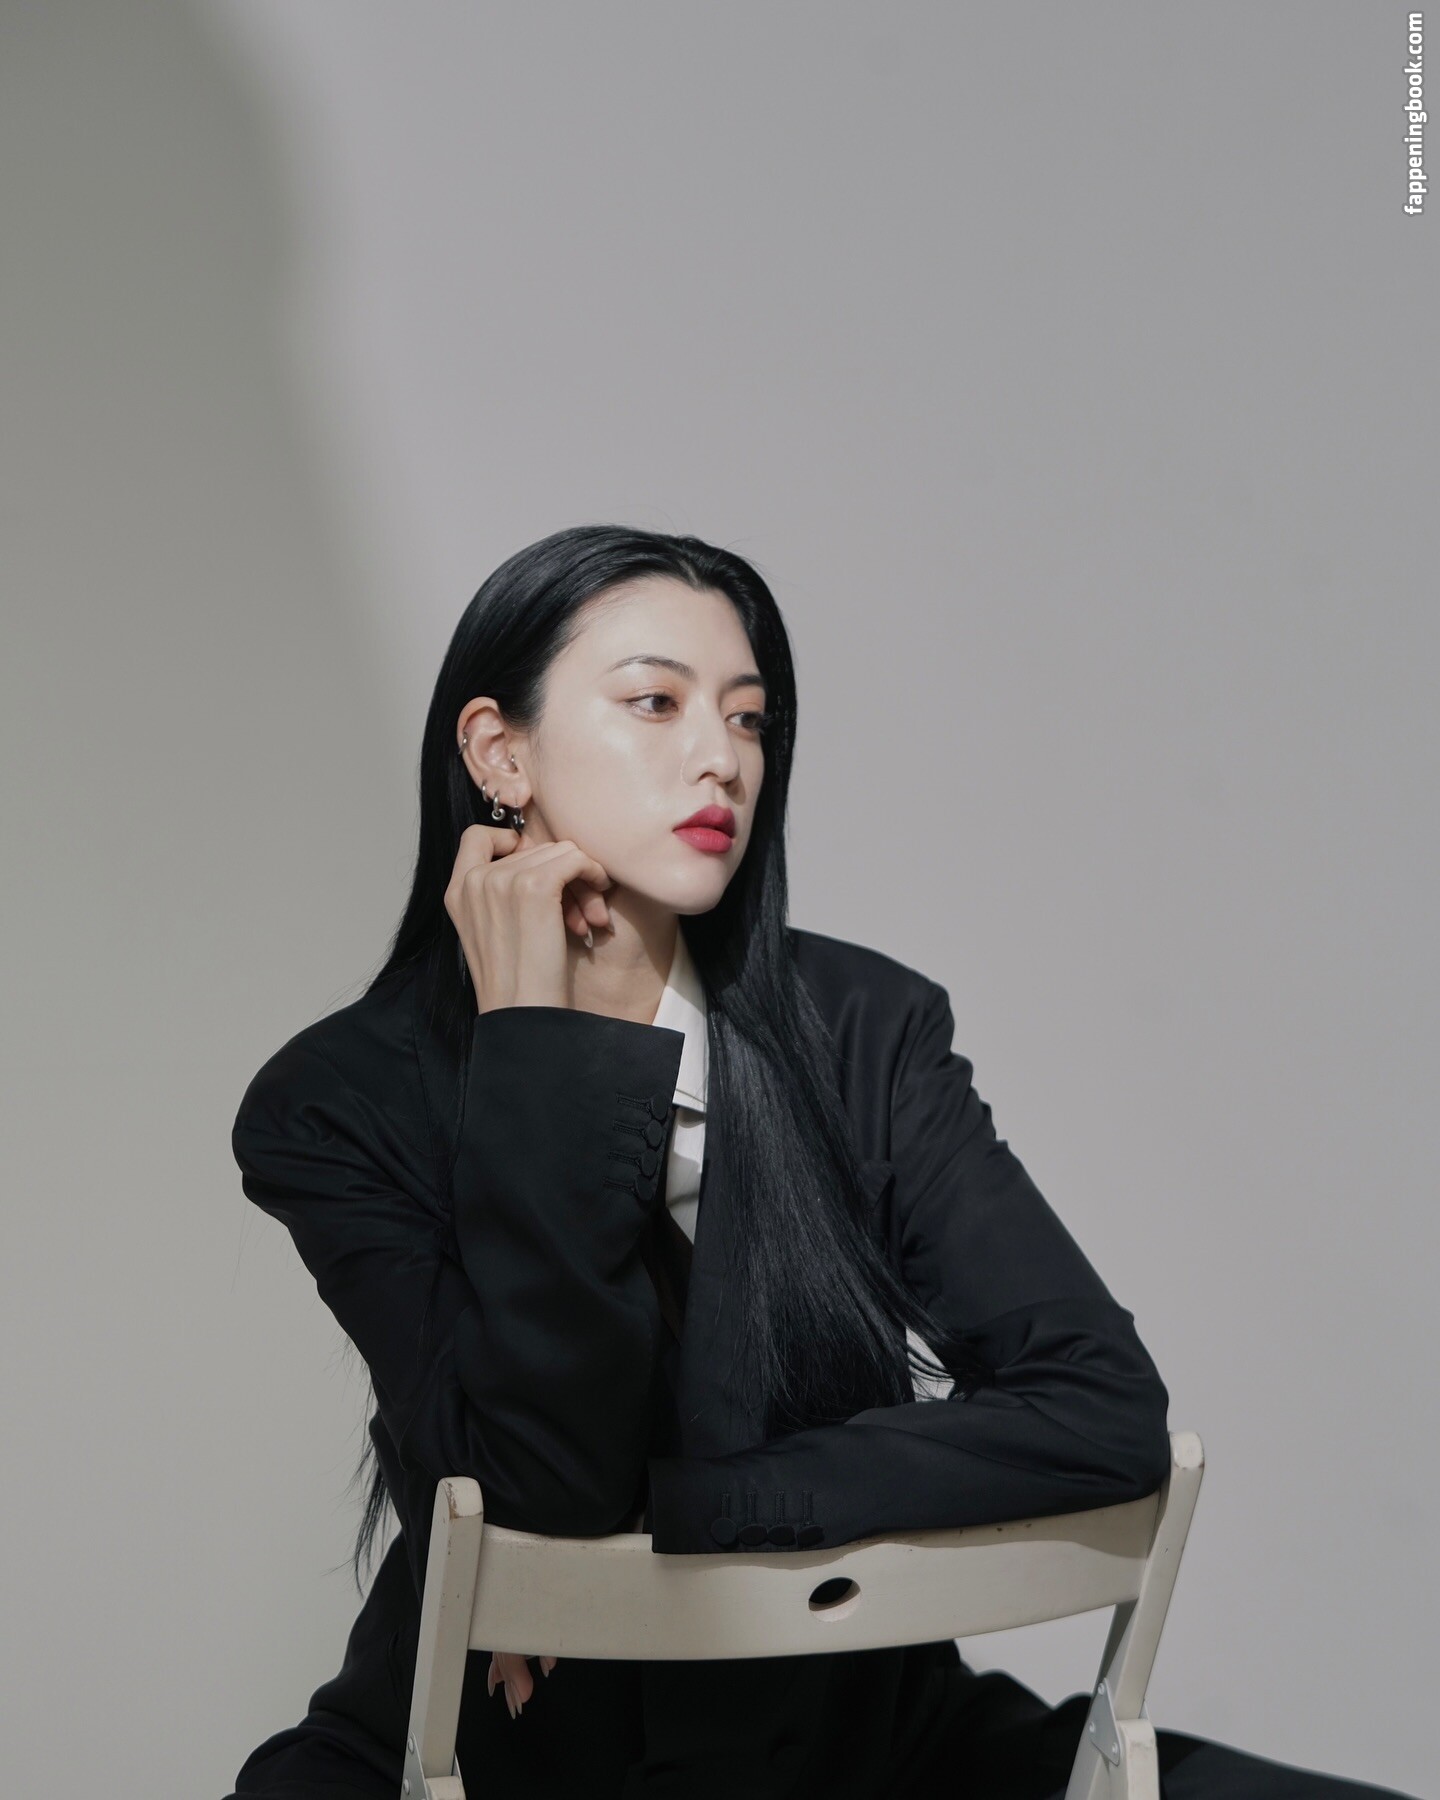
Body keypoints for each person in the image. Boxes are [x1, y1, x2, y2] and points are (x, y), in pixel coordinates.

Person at [224, 524, 1418, 1800]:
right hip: (506, 1763)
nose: (721, 757)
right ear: (499, 752)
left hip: (867, 1747)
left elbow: (1102, 1412)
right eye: (656, 703)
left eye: (748, 717)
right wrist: (538, 1043)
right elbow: (543, 1497)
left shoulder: (861, 1031)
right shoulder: (340, 1100)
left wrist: (696, 1507)